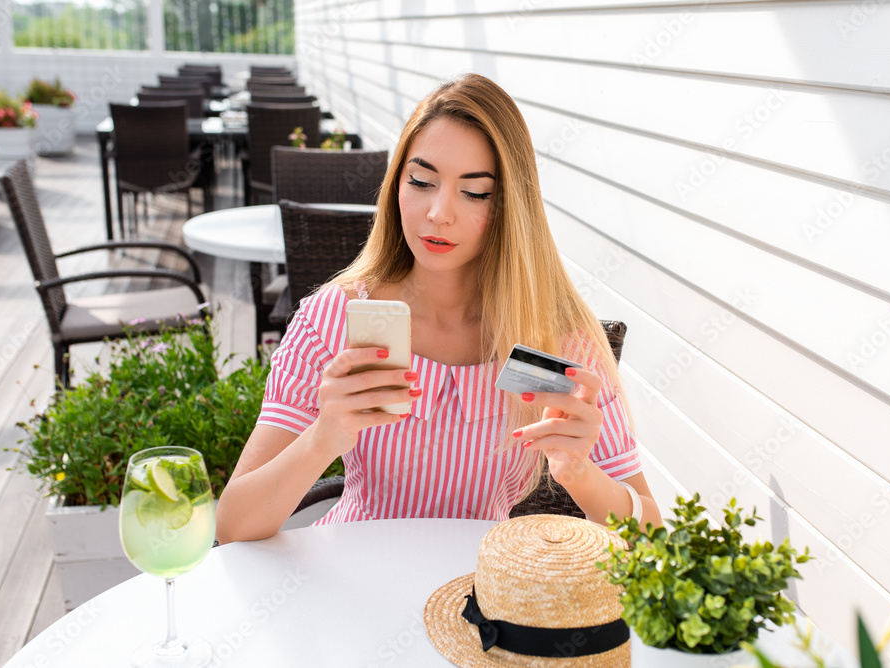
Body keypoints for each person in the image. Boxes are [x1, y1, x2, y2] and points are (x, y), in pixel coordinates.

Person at [215, 73, 661, 543]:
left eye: (474, 192)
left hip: (480, 593)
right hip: (351, 576)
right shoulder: (334, 320)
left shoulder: (551, 341)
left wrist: (580, 475)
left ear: (512, 206)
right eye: (422, 181)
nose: (438, 213)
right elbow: (233, 525)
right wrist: (322, 437)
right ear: (396, 186)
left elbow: (649, 536)